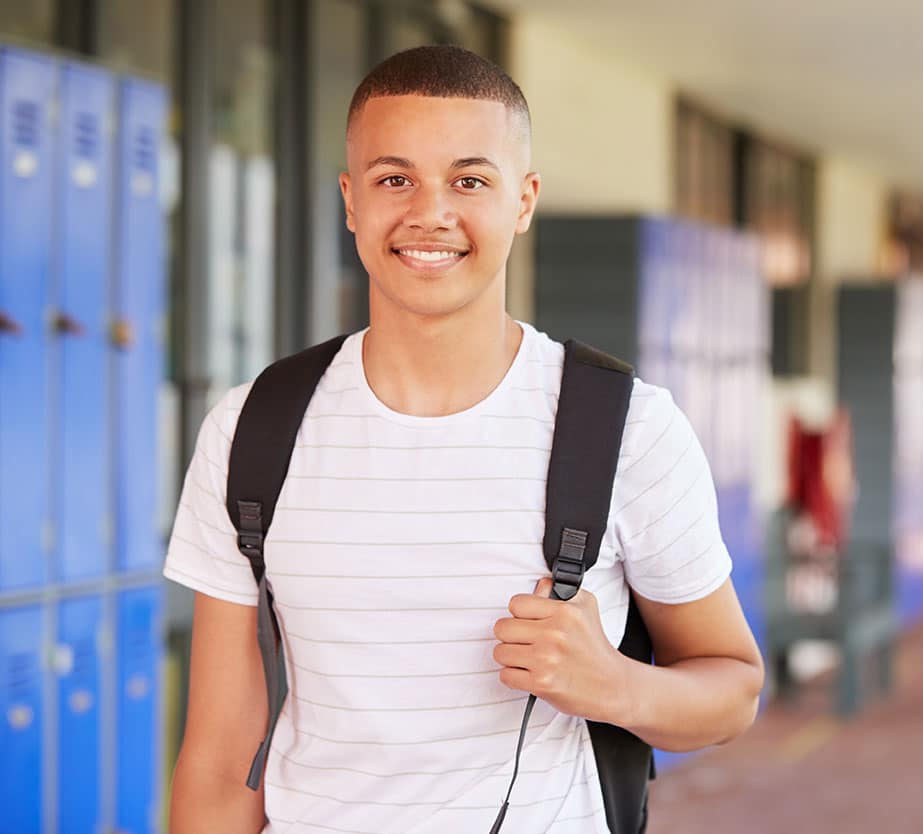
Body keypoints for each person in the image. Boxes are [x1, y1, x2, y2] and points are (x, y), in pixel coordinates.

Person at [165, 45, 764, 834]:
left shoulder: (626, 430)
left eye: (470, 180)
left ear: (524, 200)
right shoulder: (253, 427)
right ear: (351, 201)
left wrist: (612, 685)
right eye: (394, 179)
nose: (430, 212)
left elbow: (732, 691)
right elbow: (217, 755)